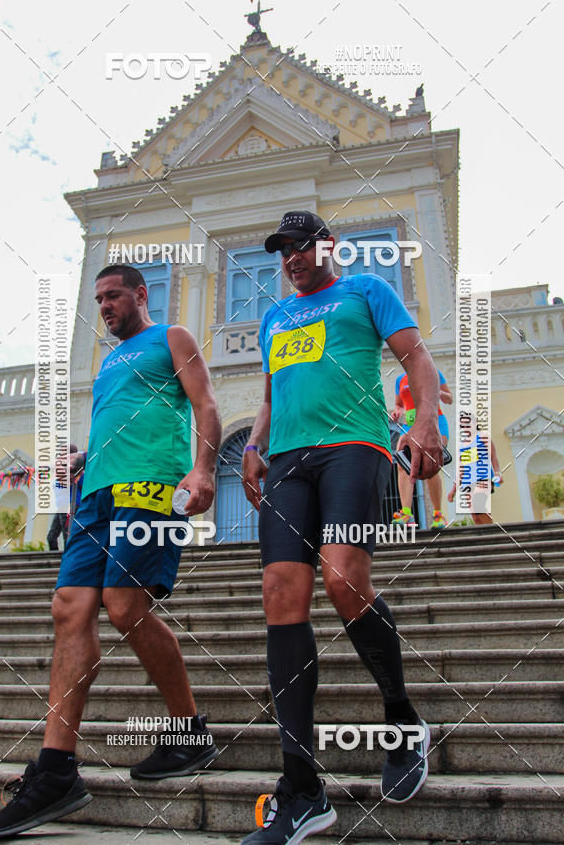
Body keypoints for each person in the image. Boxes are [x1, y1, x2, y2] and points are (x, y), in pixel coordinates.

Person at [0, 264, 222, 839]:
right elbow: (118, 425)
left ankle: (189, 732)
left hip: (152, 487)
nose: (105, 306)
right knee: (68, 605)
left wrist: (205, 469)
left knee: (123, 604)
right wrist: (81, 463)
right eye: (99, 300)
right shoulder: (108, 361)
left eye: (114, 296)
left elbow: (207, 405)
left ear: (141, 294)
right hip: (96, 497)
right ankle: (57, 770)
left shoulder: (172, 337)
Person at [240, 211, 444, 843]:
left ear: (325, 246)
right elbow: (274, 397)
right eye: (282, 252)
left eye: (299, 247)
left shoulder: (365, 291)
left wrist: (428, 420)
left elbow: (416, 357)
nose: (291, 259)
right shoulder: (276, 317)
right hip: (288, 462)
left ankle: (403, 721)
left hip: (356, 448)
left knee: (343, 579)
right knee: (280, 596)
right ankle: (302, 790)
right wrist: (253, 441)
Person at [390, 371, 453, 528]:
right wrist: (397, 411)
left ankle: (438, 514)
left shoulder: (433, 371)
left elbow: (449, 398)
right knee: (402, 465)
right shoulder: (400, 379)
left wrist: (438, 392)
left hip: (434, 422)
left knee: (431, 463)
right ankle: (406, 513)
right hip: (409, 425)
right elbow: (399, 403)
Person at [447, 423, 502, 525]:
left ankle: (494, 534)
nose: (466, 427)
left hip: (483, 478)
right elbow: (461, 469)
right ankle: (484, 538)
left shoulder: (483, 437)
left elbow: (493, 457)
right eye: (463, 426)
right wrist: (453, 490)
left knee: (478, 506)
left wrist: (497, 473)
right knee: (476, 516)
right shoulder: (462, 446)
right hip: (468, 482)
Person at [47, 445, 83, 551]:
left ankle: (67, 559)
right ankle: (59, 558)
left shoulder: (76, 469)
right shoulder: (62, 468)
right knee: (51, 536)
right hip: (61, 505)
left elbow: (80, 482)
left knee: (67, 534)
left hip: (70, 503)